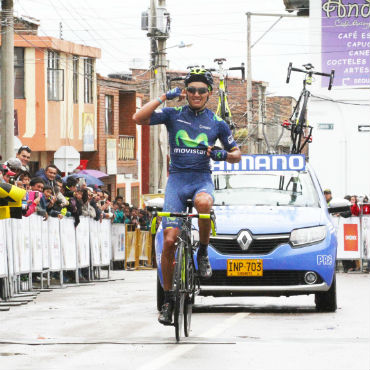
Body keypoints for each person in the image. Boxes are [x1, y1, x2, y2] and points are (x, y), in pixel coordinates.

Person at [133, 67, 241, 325]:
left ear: (209, 94)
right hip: (177, 182)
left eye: (201, 90)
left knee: (204, 203)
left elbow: (237, 155)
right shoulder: (173, 115)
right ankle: (169, 300)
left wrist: (222, 154)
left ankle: (202, 251)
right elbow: (138, 118)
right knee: (169, 241)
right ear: (185, 92)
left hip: (201, 180)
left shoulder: (217, 123)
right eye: (191, 90)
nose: (195, 94)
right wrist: (163, 97)